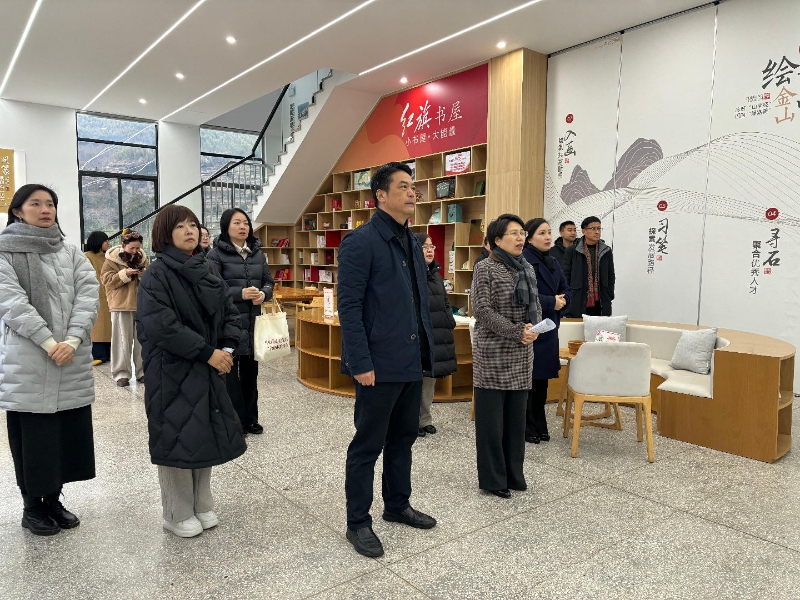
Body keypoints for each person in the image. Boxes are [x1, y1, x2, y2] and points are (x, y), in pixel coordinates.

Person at [338, 162, 436, 558]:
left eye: (413, 187)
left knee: (403, 439)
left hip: (410, 359)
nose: (412, 193)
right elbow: (349, 307)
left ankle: (397, 504)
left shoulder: (411, 239)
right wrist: (360, 362)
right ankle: (358, 522)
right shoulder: (361, 242)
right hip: (377, 364)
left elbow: (416, 302)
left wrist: (426, 350)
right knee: (367, 445)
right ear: (380, 195)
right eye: (403, 186)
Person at [136, 204, 246, 538]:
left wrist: (227, 348)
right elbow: (162, 326)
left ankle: (201, 503)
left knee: (202, 432)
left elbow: (229, 312)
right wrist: (207, 352)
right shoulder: (157, 273)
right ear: (164, 233)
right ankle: (176, 512)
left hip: (209, 365)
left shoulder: (206, 267)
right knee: (175, 434)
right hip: (172, 369)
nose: (189, 231)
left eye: (193, 225)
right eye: (180, 226)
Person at [0, 184, 99, 536]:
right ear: (17, 210)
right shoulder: (4, 252)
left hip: (70, 357)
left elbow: (88, 295)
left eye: (50, 204)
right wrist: (47, 341)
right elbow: (11, 302)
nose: (45, 209)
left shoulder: (70, 252)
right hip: (28, 358)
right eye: (36, 203)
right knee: (33, 439)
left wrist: (71, 340)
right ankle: (32, 507)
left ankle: (54, 500)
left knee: (64, 436)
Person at [471, 214, 541, 499]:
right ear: (497, 240)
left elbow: (535, 304)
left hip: (522, 354)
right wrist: (515, 331)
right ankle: (493, 479)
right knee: (491, 424)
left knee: (515, 423)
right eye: (514, 233)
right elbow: (482, 310)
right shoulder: (485, 268)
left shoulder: (527, 267)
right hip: (493, 356)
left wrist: (534, 328)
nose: (520, 237)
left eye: (522, 232)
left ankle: (514, 474)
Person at [207, 208, 274, 435]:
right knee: (229, 376)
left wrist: (263, 294)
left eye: (245, 222)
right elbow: (212, 289)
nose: (242, 226)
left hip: (254, 324)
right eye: (236, 223)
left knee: (250, 374)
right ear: (226, 226)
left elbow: (269, 282)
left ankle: (250, 419)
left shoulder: (257, 254)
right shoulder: (215, 255)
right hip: (228, 325)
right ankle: (235, 421)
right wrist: (240, 293)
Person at [522, 218, 572, 444]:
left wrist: (564, 300)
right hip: (532, 328)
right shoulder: (524, 261)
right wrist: (552, 302)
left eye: (549, 232)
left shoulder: (553, 261)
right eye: (542, 233)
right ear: (529, 237)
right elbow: (524, 296)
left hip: (550, 327)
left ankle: (540, 423)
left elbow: (566, 288)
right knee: (530, 380)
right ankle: (527, 426)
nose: (548, 237)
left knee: (541, 381)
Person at [414, 232, 457, 438]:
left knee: (429, 380)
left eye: (432, 246)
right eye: (425, 247)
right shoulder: (411, 274)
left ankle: (425, 420)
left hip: (436, 334)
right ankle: (412, 421)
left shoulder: (436, 275)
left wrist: (449, 320)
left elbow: (445, 303)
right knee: (415, 381)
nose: (430, 250)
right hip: (419, 336)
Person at [101, 230, 149, 387]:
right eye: (131, 248)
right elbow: (106, 280)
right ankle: (121, 374)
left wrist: (142, 274)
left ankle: (143, 372)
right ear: (123, 245)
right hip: (120, 304)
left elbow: (151, 280)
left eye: (137, 248)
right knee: (121, 341)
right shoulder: (112, 259)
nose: (135, 251)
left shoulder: (143, 259)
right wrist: (125, 273)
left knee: (142, 340)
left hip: (141, 305)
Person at [562, 216, 616, 317]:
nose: (597, 232)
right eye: (593, 228)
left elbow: (611, 275)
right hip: (578, 300)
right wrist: (568, 296)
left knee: (600, 326)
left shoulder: (606, 251)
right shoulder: (572, 251)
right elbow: (565, 276)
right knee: (578, 327)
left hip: (600, 300)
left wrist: (609, 294)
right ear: (584, 231)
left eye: (599, 228)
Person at [84, 231, 112, 365]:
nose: (108, 243)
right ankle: (98, 355)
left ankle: (108, 354)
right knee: (98, 326)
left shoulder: (108, 257)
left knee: (109, 326)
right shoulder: (87, 257)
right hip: (96, 295)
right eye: (106, 241)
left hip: (110, 295)